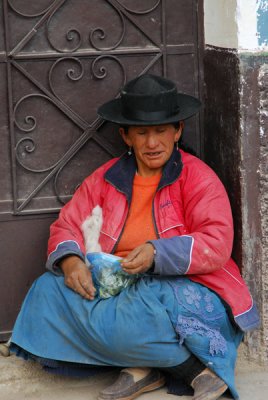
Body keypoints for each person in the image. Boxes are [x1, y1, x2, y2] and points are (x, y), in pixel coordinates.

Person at [10, 74, 260, 400]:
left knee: (146, 304)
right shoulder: (106, 179)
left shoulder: (198, 177)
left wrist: (157, 254)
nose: (152, 143)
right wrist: (71, 261)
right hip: (120, 290)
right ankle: (169, 367)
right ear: (126, 136)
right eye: (142, 133)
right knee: (47, 291)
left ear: (177, 131)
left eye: (160, 132)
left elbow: (217, 243)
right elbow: (68, 225)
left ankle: (153, 366)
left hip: (179, 289)